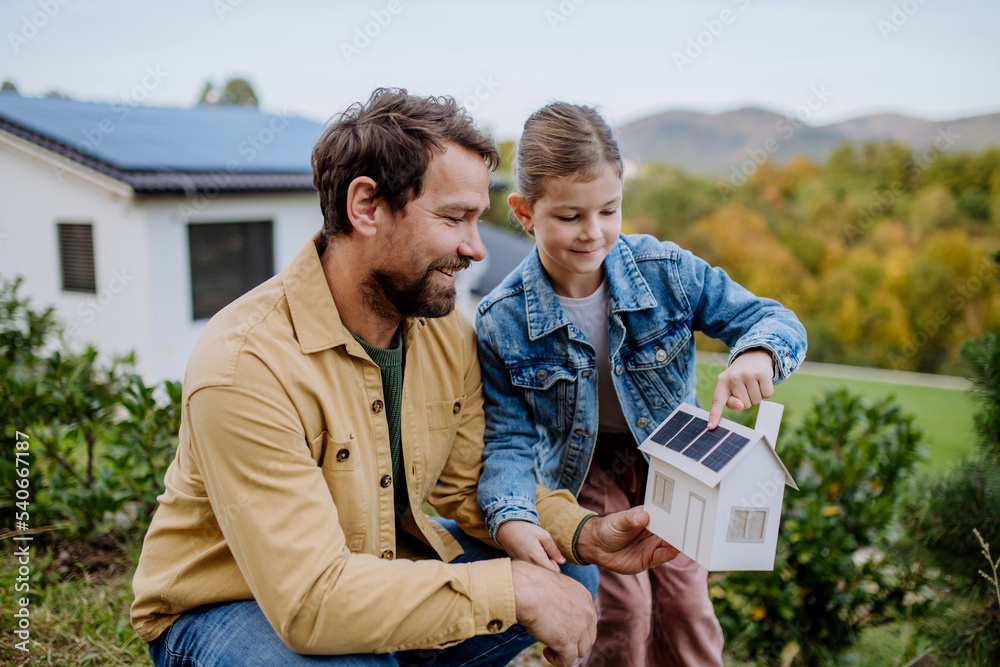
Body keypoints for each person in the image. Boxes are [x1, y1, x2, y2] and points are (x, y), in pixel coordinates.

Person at [130, 88, 680, 667]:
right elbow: (312, 601)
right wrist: (513, 590)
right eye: (453, 219)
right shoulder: (245, 365)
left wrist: (583, 533)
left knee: (566, 570)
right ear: (366, 206)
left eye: (478, 219)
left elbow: (471, 482)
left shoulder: (440, 328)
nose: (474, 248)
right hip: (233, 605)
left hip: (374, 567)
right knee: (362, 650)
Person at [475, 102, 808, 667]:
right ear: (525, 212)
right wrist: (511, 513)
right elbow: (507, 437)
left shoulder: (666, 271)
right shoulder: (501, 319)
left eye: (609, 210)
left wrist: (757, 352)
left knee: (686, 602)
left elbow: (772, 320)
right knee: (620, 612)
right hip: (583, 472)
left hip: (675, 460)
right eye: (570, 216)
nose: (593, 232)